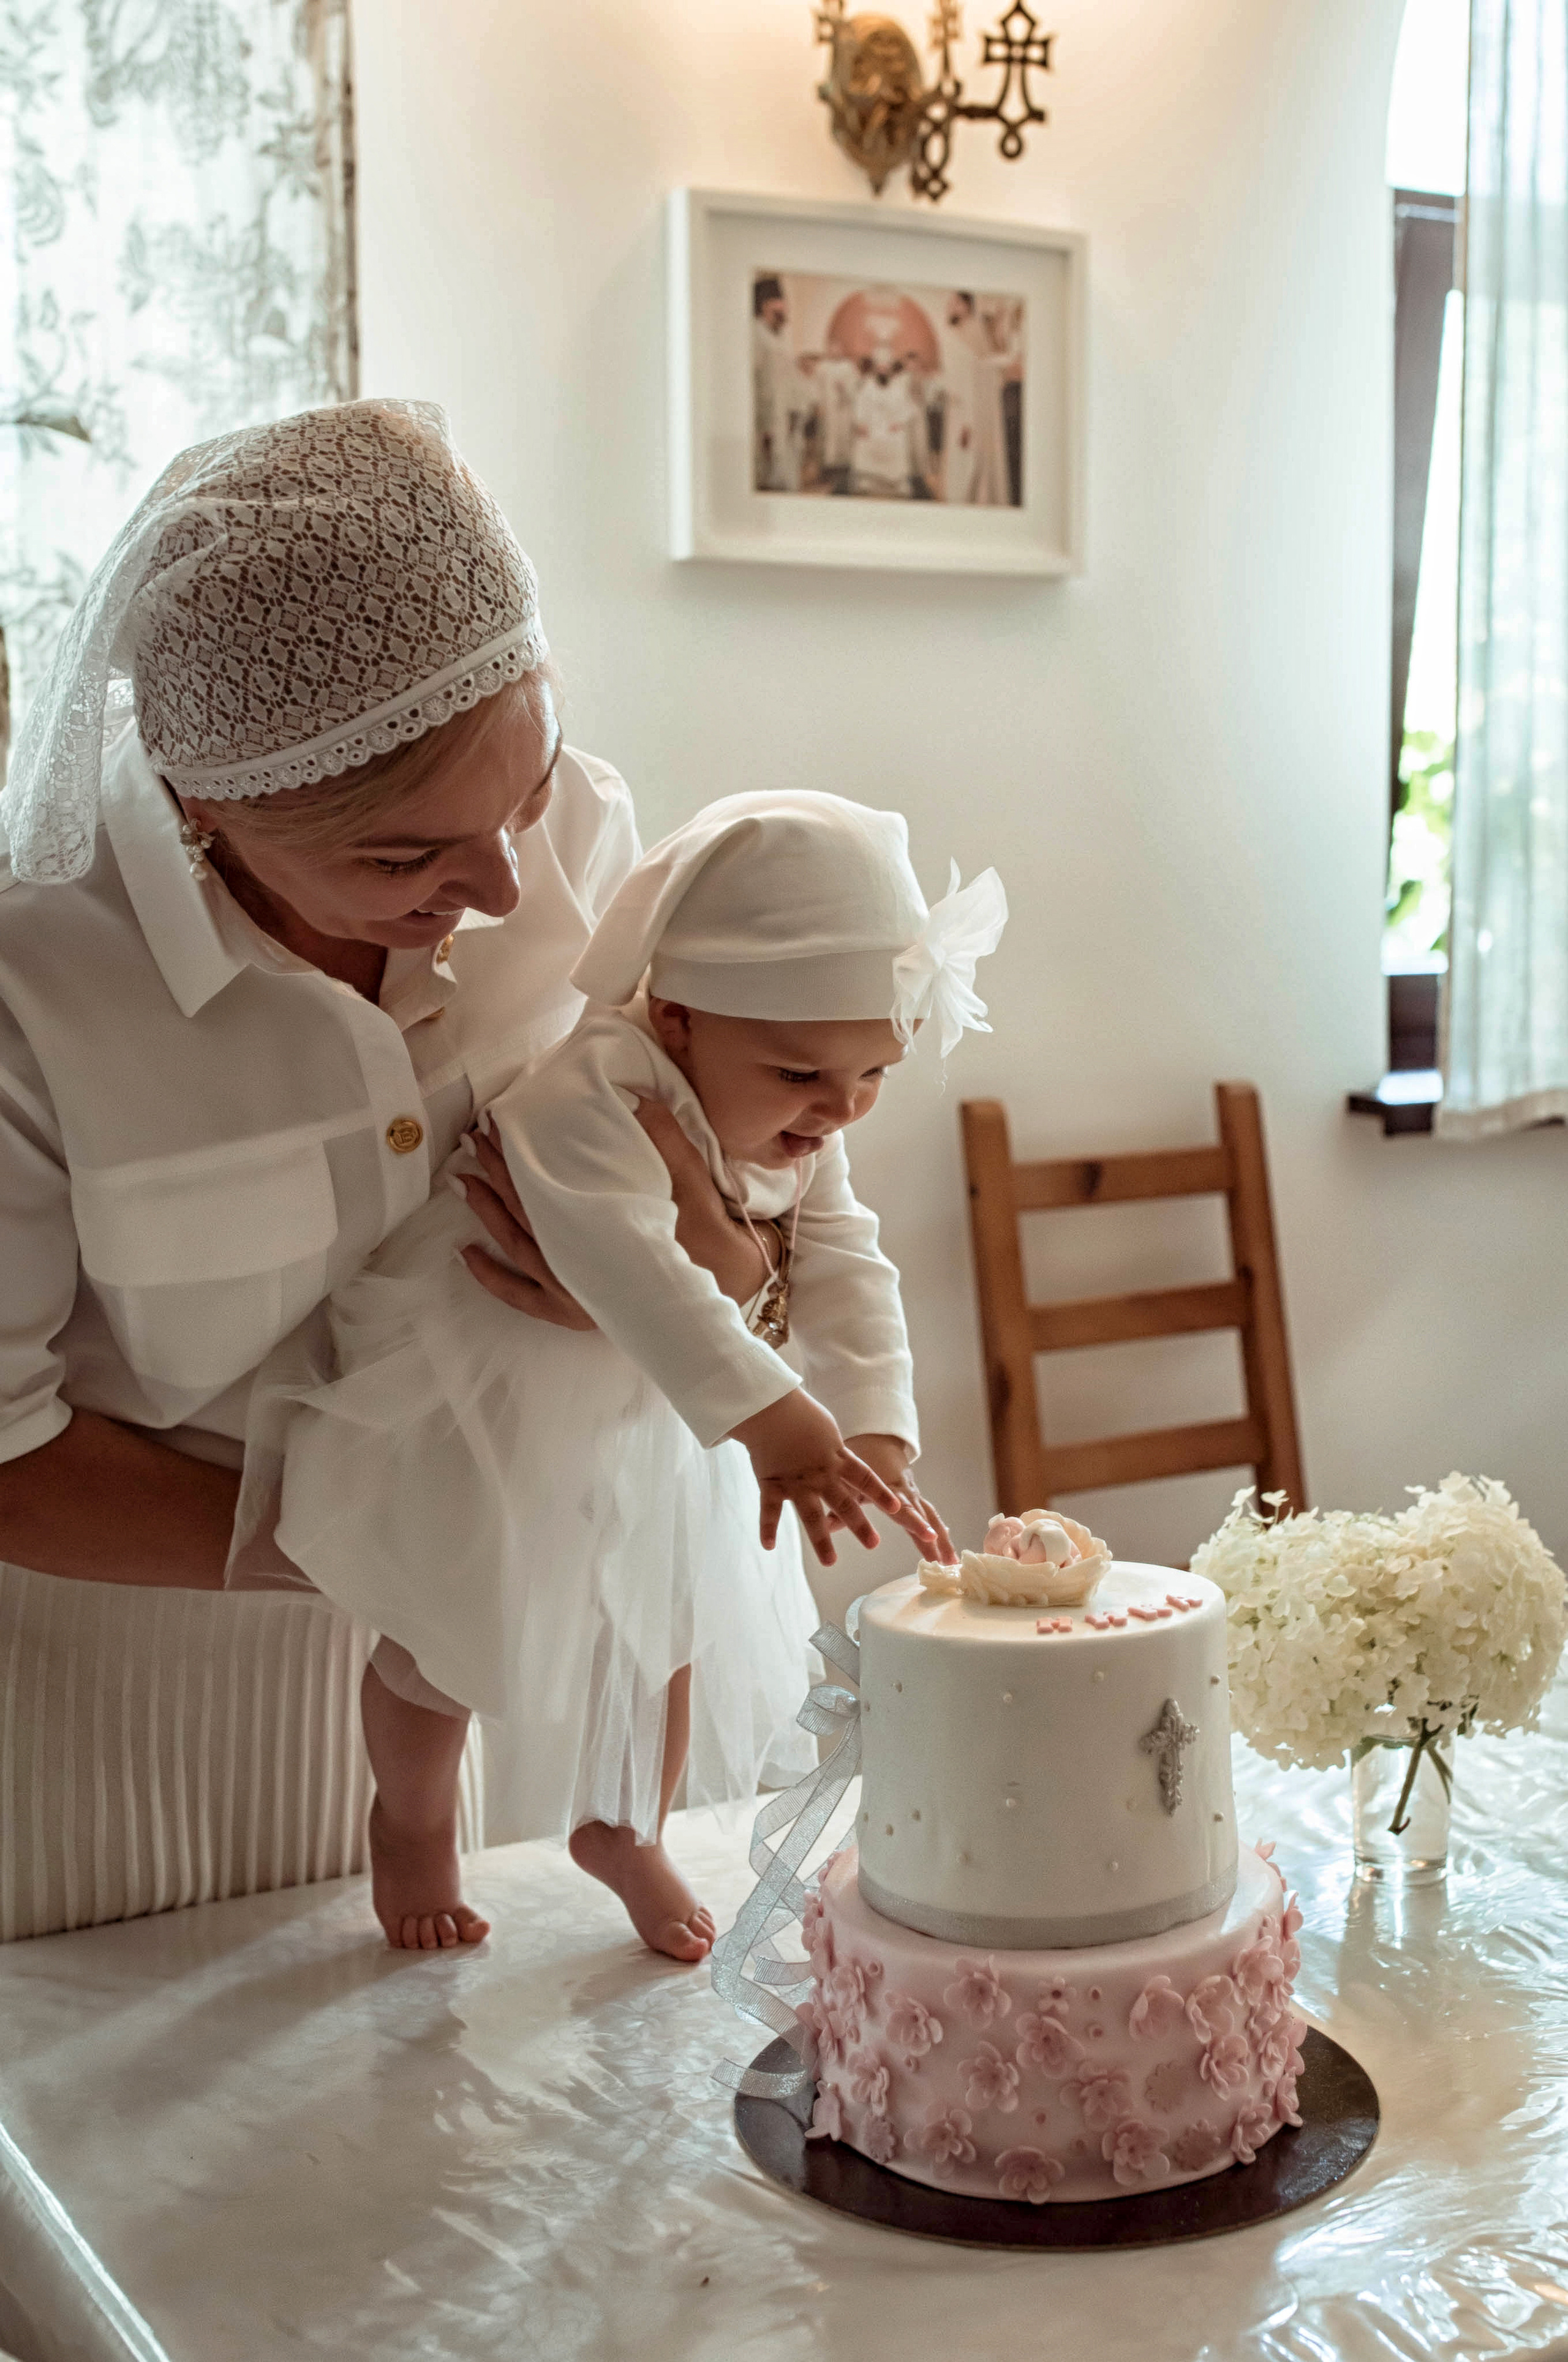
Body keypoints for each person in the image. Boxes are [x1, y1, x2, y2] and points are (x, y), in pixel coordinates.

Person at [0, 400, 778, 1944]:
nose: (500, 883)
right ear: (201, 808)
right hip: (111, 1725)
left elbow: (730, 1188)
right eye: (405, 858)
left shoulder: (577, 839)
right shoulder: (39, 982)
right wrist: (393, 1529)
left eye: (527, 785)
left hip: (436, 1715)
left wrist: (709, 1264)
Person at [236, 795, 1006, 1958]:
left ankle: (622, 1827)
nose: (837, 1111)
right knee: (443, 1633)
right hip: (494, 1382)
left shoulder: (810, 1117)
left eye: (873, 1075)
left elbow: (846, 1256)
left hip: (668, 1401)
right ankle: (414, 1819)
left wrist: (875, 1422)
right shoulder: (594, 1086)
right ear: (682, 1016)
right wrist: (782, 1421)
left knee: (671, 1627)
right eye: (803, 1072)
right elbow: (627, 1263)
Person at [752, 277, 807, 494]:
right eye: (781, 304)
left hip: (784, 413)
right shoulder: (756, 333)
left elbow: (790, 377)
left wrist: (796, 407)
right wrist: (764, 423)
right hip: (765, 415)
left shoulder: (780, 337)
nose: (785, 309)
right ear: (767, 305)